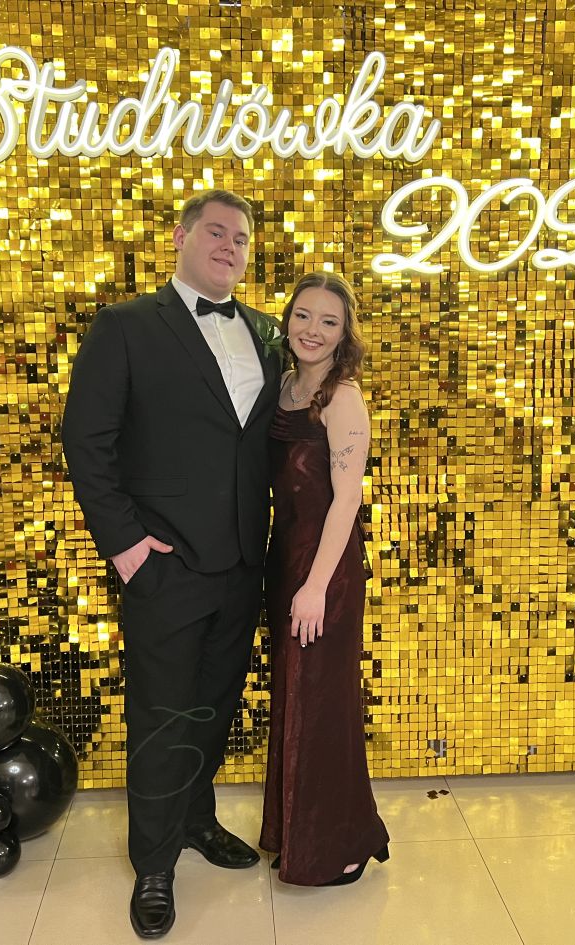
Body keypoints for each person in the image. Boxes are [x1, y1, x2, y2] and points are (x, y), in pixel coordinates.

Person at [61, 189, 282, 938]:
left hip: (243, 559)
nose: (230, 246)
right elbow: (86, 440)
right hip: (164, 562)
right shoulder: (125, 326)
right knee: (161, 714)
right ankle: (153, 862)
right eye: (216, 231)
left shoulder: (267, 331)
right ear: (181, 237)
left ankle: (195, 818)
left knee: (216, 703)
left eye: (241, 238)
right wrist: (127, 548)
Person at [259, 271, 390, 886]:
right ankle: (295, 834)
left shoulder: (343, 398)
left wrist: (315, 586)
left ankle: (339, 843)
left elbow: (346, 500)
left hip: (324, 572)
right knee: (294, 696)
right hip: (283, 558)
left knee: (322, 701)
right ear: (289, 320)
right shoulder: (285, 387)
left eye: (329, 321)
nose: (313, 329)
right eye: (304, 316)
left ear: (344, 334)